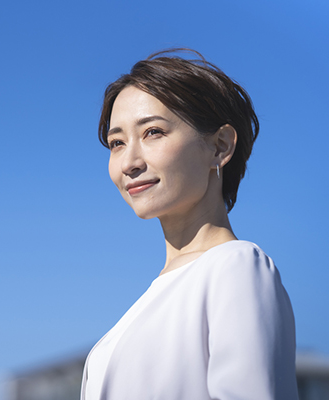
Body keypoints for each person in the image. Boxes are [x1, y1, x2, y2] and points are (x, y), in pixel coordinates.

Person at [81, 49, 298, 399]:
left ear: (220, 146)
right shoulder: (153, 299)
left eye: (152, 132)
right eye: (117, 143)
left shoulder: (236, 267)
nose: (129, 162)